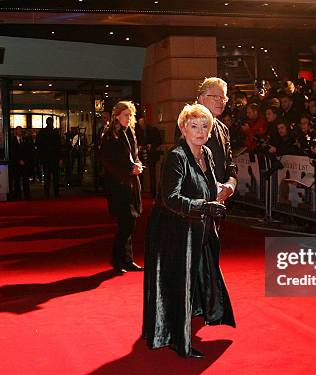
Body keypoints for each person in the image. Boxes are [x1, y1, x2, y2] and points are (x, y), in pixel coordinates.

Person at [143, 103, 235, 359]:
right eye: (194, 126)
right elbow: (170, 198)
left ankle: (197, 315)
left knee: (199, 276)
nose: (200, 130)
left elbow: (204, 185)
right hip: (172, 232)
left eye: (205, 126)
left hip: (196, 229)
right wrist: (204, 206)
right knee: (177, 283)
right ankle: (175, 339)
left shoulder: (205, 152)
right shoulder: (176, 156)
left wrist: (217, 194)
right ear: (183, 129)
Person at [100, 101, 144, 273]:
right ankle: (117, 260)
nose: (129, 118)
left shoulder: (130, 132)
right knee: (126, 223)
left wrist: (138, 165)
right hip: (118, 185)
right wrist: (129, 169)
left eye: (131, 115)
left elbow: (135, 156)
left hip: (131, 183)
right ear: (117, 115)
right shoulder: (110, 134)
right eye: (126, 114)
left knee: (129, 222)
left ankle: (127, 260)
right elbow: (107, 161)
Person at [36, 117, 62, 198]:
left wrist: (40, 158)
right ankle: (56, 193)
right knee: (55, 177)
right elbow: (59, 146)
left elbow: (38, 145)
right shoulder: (55, 132)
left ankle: (47, 193)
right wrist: (60, 158)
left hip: (46, 158)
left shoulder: (42, 132)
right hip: (54, 158)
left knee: (47, 177)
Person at [10, 126, 34, 200]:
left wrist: (26, 160)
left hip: (25, 163)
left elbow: (27, 151)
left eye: (21, 130)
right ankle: (18, 195)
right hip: (16, 164)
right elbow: (13, 152)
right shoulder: (12, 141)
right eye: (18, 130)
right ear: (15, 132)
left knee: (25, 180)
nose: (20, 131)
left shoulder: (25, 140)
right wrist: (19, 160)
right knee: (17, 181)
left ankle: (27, 195)